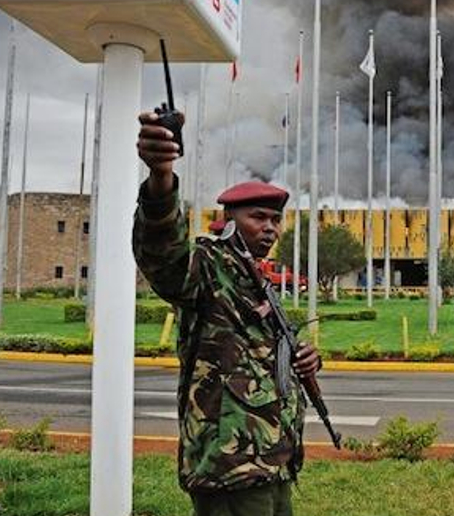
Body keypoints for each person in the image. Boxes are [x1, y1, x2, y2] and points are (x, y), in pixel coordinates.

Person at [133, 110, 321, 516]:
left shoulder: (259, 281)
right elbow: (163, 257)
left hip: (273, 457)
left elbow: (262, 352)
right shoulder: (207, 265)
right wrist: (161, 180)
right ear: (227, 222)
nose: (270, 228)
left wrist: (304, 357)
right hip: (229, 465)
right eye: (258, 217)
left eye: (275, 220)